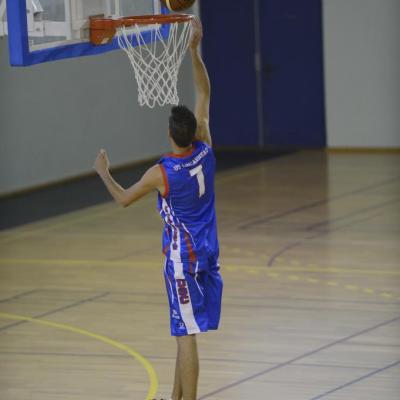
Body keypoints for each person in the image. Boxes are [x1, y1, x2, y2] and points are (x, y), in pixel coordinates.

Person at [93, 17, 222, 400]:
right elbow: (205, 92)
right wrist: (194, 51)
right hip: (208, 249)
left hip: (183, 258)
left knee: (186, 335)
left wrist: (103, 172)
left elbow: (123, 199)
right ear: (193, 131)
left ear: (169, 134)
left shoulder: (161, 173)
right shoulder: (205, 148)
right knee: (185, 328)